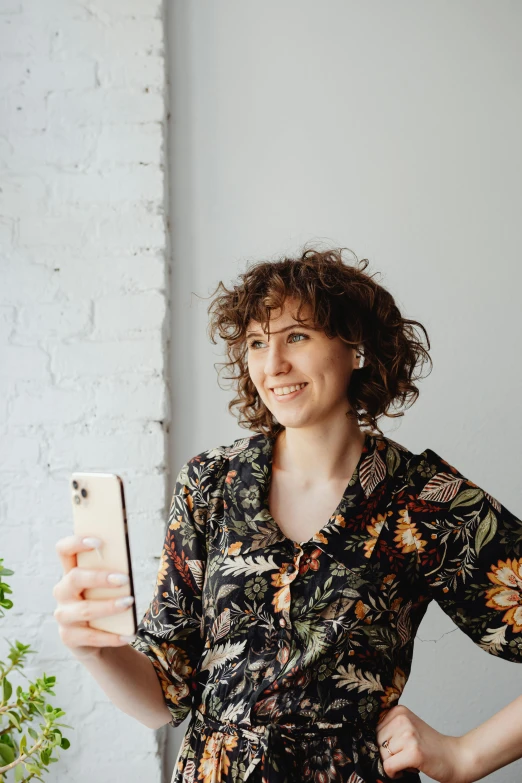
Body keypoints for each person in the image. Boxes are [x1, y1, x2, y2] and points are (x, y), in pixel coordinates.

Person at [54, 247, 522, 783]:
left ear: (357, 349)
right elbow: (162, 698)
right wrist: (94, 650)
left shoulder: (423, 499)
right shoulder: (211, 484)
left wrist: (466, 757)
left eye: (296, 336)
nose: (273, 365)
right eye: (257, 342)